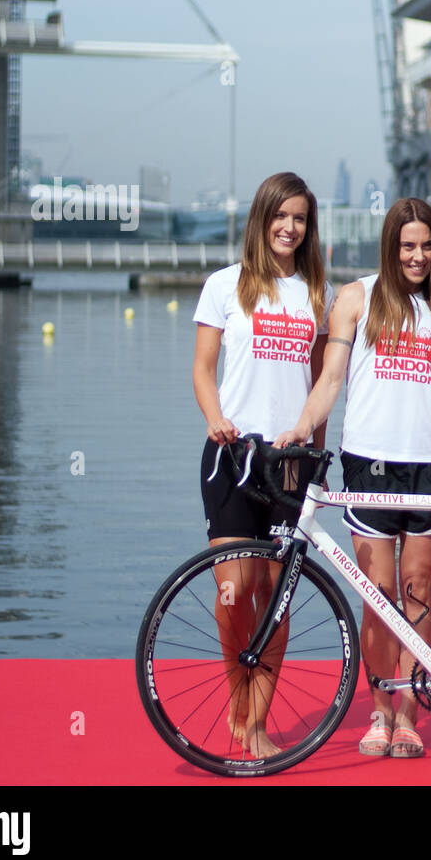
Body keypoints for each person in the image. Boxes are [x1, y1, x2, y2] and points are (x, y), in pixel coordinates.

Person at [275, 197, 431, 759]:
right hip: (370, 464)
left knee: (418, 594)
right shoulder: (355, 299)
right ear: (390, 245)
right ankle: (379, 712)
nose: (418, 255)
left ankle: (410, 714)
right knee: (378, 597)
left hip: (429, 466)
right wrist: (301, 428)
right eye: (408, 245)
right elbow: (331, 379)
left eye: (427, 246)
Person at [191, 171, 333, 759]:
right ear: (262, 218)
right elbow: (202, 369)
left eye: (299, 218)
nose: (289, 227)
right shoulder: (225, 286)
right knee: (234, 592)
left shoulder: (315, 295)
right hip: (232, 455)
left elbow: (324, 383)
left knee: (275, 597)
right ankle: (237, 695)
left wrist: (317, 456)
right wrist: (213, 415)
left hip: (292, 463)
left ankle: (257, 725)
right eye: (281, 216)